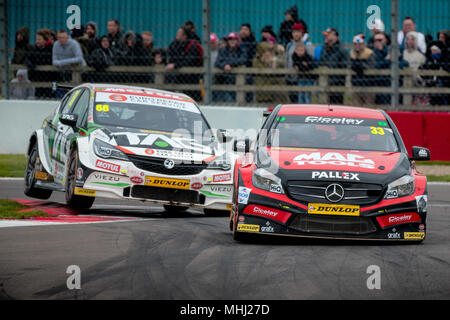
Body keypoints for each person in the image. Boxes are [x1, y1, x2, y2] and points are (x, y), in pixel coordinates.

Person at [166, 26, 203, 101]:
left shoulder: (191, 46)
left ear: (184, 36)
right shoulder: (175, 44)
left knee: (193, 98)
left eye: (179, 33)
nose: (176, 35)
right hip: (178, 77)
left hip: (191, 77)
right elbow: (170, 54)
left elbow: (190, 61)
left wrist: (175, 65)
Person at [285, 23, 314, 102]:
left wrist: (301, 66)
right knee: (292, 99)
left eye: (298, 32)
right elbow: (287, 59)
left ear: (302, 33)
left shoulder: (307, 45)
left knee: (304, 98)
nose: (295, 34)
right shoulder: (289, 45)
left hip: (303, 77)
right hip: (291, 77)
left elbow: (310, 60)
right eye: (294, 32)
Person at [214, 32, 247, 102]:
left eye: (234, 39)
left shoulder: (241, 50)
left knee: (234, 100)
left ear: (237, 41)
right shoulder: (224, 50)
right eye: (230, 39)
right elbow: (217, 62)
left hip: (236, 80)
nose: (232, 41)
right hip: (224, 80)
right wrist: (224, 66)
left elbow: (243, 60)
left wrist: (230, 64)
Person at [319, 27, 348, 104]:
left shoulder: (341, 49)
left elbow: (345, 65)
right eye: (325, 35)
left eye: (328, 35)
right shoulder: (324, 48)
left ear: (335, 36)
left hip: (337, 83)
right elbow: (321, 63)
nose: (326, 37)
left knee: (337, 105)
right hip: (325, 82)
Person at [24, 29, 56, 98]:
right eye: (36, 39)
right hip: (37, 80)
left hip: (49, 80)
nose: (37, 41)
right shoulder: (35, 49)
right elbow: (27, 58)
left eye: (39, 39)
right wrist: (30, 64)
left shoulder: (51, 49)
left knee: (50, 97)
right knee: (38, 97)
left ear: (45, 40)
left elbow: (48, 61)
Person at [349, 34, 376, 106]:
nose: (357, 45)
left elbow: (371, 66)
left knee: (369, 105)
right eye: (355, 44)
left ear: (363, 44)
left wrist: (360, 65)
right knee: (356, 105)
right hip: (356, 84)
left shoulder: (369, 53)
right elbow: (349, 65)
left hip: (368, 84)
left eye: (359, 44)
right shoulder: (352, 53)